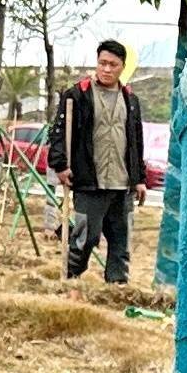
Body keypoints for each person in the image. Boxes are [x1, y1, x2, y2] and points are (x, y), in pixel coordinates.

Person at [51, 39, 147, 284]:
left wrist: (139, 179)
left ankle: (117, 287)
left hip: (121, 183)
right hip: (89, 181)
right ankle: (69, 278)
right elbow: (59, 132)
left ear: (122, 67)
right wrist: (60, 165)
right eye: (102, 63)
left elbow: (136, 140)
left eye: (112, 64)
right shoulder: (78, 94)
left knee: (120, 241)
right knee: (87, 238)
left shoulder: (130, 99)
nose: (106, 69)